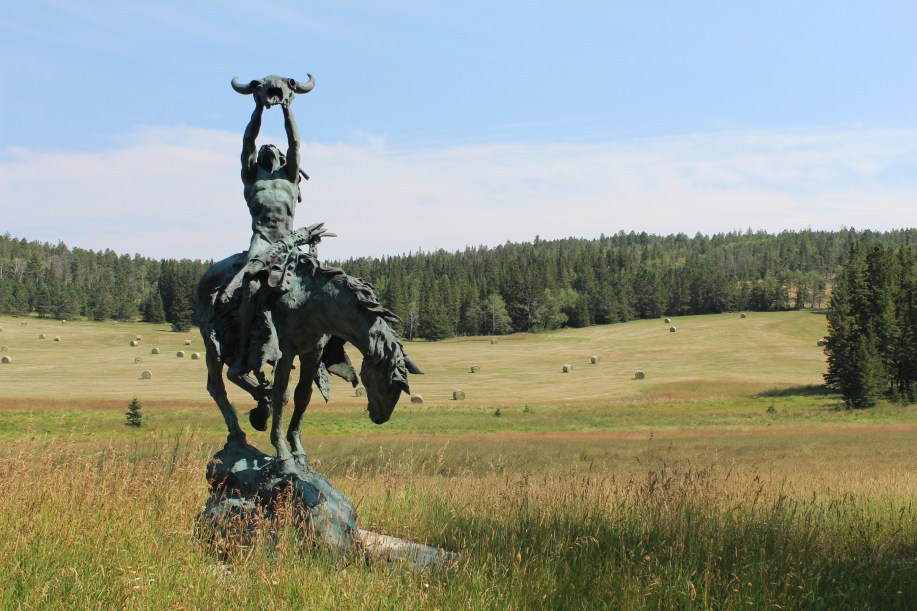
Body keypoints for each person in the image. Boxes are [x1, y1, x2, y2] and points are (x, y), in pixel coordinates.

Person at [225, 97, 303, 379]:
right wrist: (259, 107)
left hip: (289, 241)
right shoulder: (252, 178)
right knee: (250, 287)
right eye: (263, 149)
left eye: (274, 148)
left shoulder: (290, 177)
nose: (268, 148)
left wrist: (286, 107)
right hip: (261, 241)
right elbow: (248, 141)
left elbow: (295, 143)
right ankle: (243, 348)